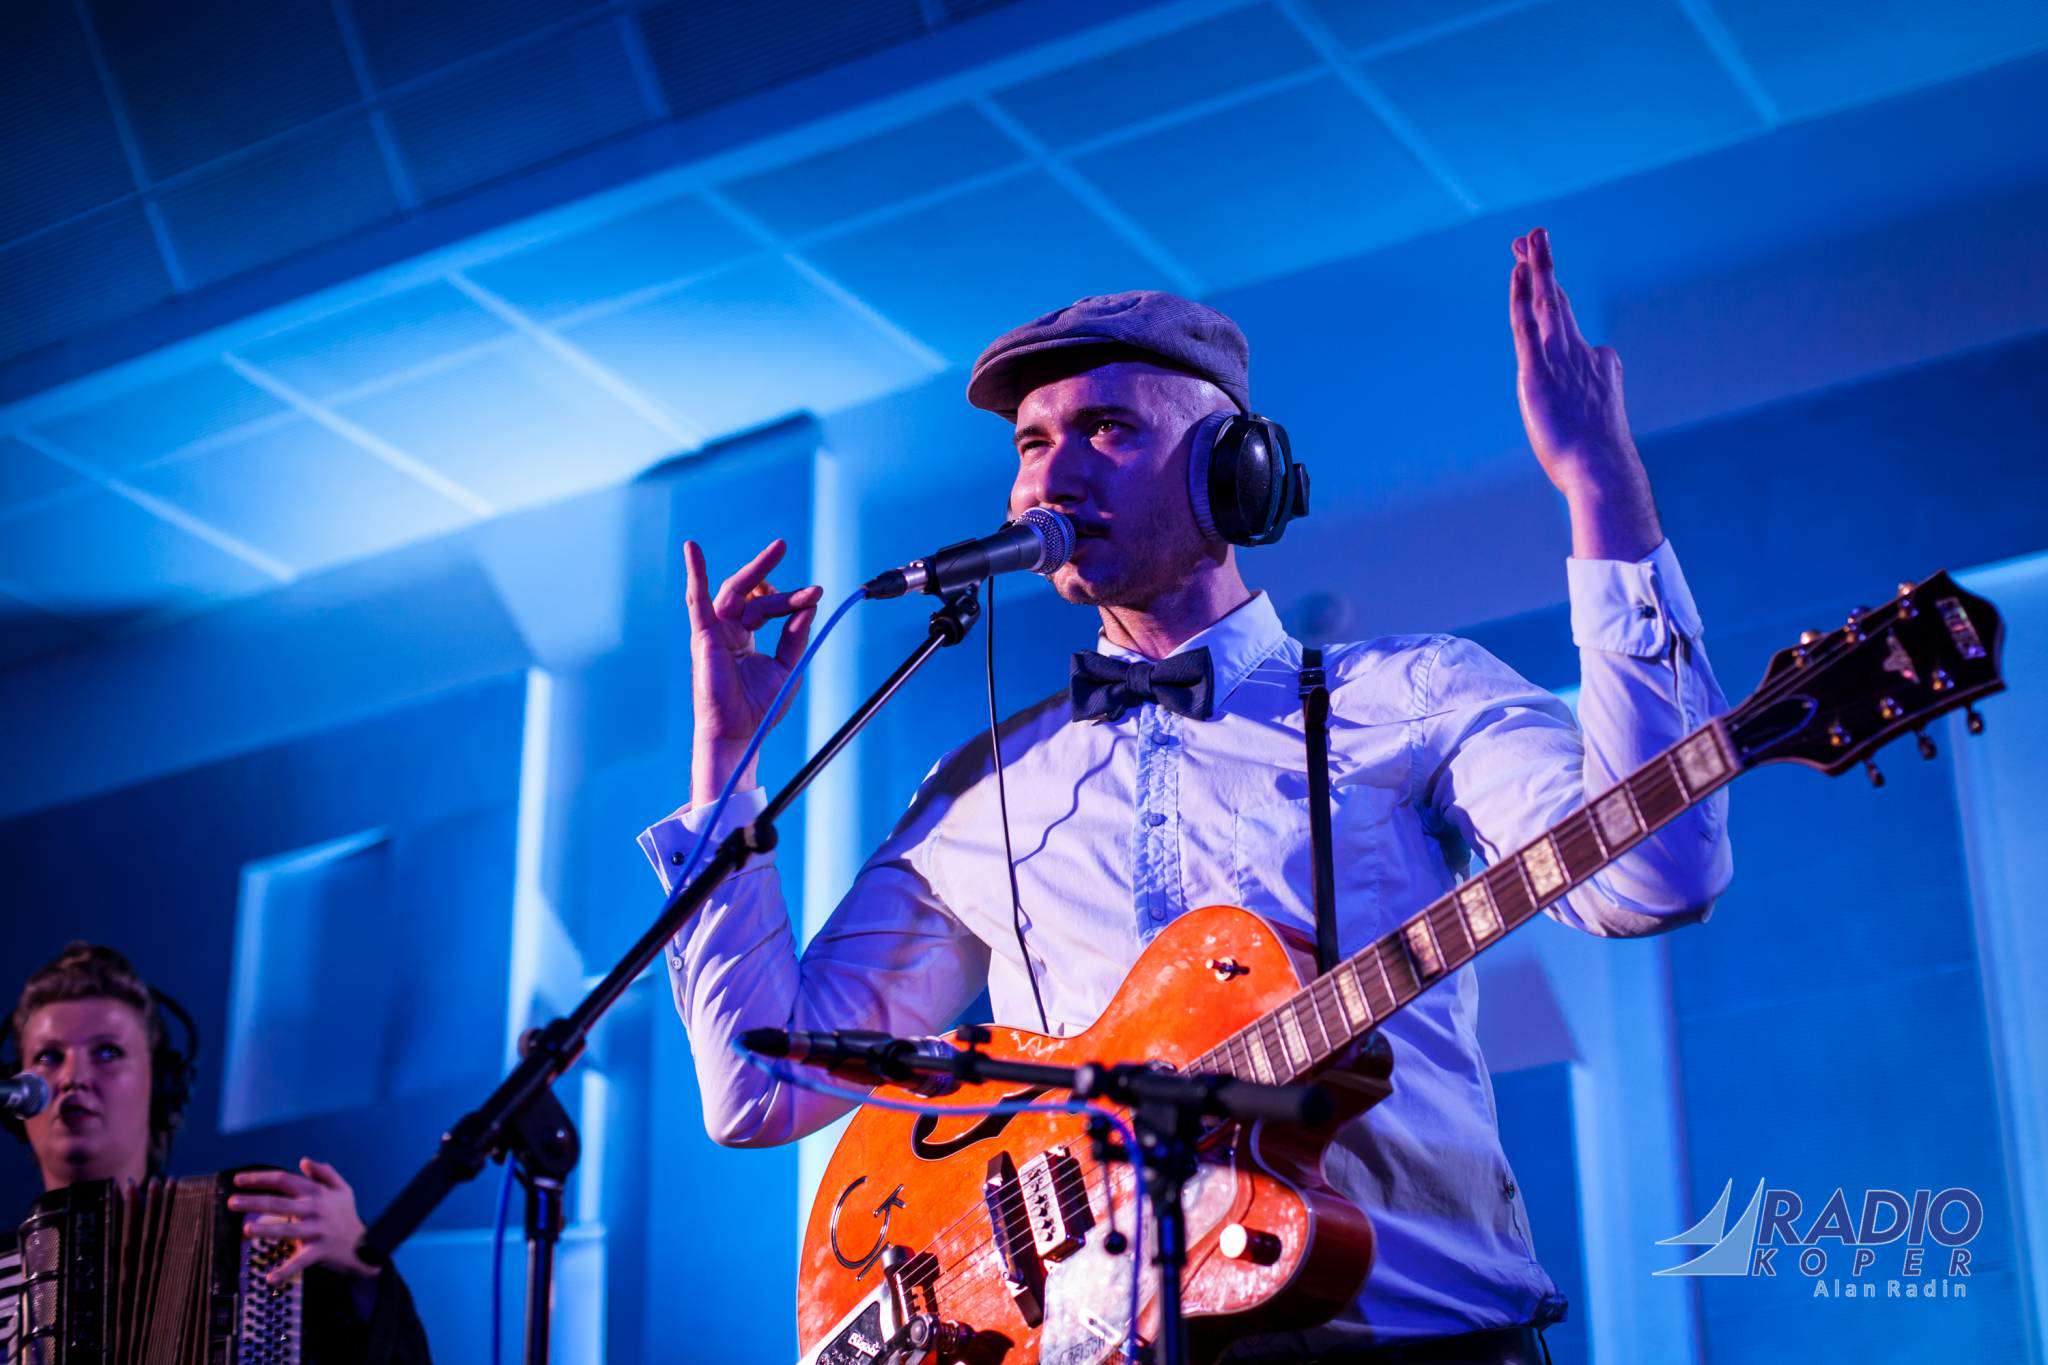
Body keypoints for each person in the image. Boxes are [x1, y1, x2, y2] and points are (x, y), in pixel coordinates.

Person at [640, 229, 1732, 1362]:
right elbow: (759, 1087)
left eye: (1107, 429)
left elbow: (1657, 874)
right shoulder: (981, 786)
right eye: (1031, 443)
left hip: (1419, 1345)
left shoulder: (1413, 695)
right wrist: (725, 758)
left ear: (1233, 471)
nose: (1052, 476)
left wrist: (1602, 489)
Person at [0, 942, 432, 1364]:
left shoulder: (262, 1227)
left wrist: (362, 1273)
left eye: (108, 1052)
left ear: (162, 1086)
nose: (73, 1077)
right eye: (48, 1057)